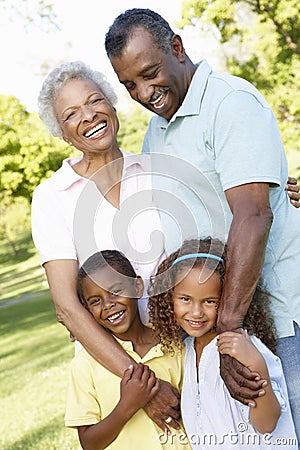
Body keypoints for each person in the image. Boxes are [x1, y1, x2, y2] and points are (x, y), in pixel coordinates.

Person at [104, 8, 300, 438]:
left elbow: (253, 214)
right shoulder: (156, 131)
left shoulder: (230, 103)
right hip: (215, 328)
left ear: (177, 47)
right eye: (129, 85)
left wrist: (230, 332)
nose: (143, 92)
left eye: (150, 72)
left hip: (277, 321)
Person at [31, 60, 182, 431]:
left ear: (112, 106)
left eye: (95, 100)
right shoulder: (52, 197)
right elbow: (67, 307)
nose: (88, 116)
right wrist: (143, 384)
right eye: (71, 114)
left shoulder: (155, 170)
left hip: (181, 353)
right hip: (114, 370)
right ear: (63, 134)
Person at [148, 237, 298, 449]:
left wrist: (257, 365)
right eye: (185, 299)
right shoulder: (188, 350)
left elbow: (267, 424)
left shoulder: (242, 347)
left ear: (227, 300)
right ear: (168, 297)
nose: (196, 312)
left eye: (210, 301)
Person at [65, 249, 191, 449]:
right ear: (87, 309)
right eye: (95, 301)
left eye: (116, 291)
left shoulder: (173, 343)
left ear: (138, 287)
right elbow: (89, 443)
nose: (107, 305)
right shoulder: (84, 364)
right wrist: (127, 406)